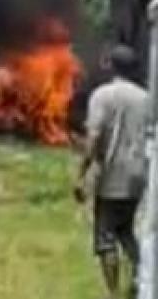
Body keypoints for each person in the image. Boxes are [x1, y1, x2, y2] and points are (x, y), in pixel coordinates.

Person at [75, 45, 149, 299]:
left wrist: (81, 174)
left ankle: (114, 294)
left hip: (112, 176)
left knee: (105, 237)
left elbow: (94, 136)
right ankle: (144, 276)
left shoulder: (102, 95)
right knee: (125, 230)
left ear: (112, 67)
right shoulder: (146, 98)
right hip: (140, 176)